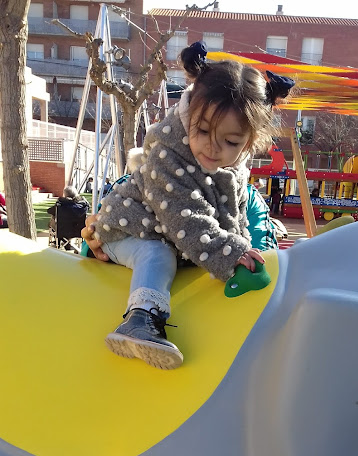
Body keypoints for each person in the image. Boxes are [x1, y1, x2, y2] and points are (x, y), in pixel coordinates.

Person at [89, 41, 294, 370]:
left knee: (176, 250)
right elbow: (186, 217)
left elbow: (235, 216)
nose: (212, 149)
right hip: (128, 229)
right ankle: (141, 318)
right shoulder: (167, 154)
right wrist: (227, 253)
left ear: (250, 140)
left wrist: (242, 248)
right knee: (157, 253)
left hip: (175, 235)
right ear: (189, 116)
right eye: (202, 131)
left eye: (229, 141)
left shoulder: (235, 166)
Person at [47, 186, 89, 250]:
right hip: (78, 231)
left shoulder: (60, 204)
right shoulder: (83, 205)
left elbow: (49, 211)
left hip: (62, 230)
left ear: (65, 194)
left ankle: (60, 242)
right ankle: (66, 243)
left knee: (55, 220)